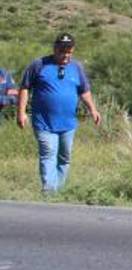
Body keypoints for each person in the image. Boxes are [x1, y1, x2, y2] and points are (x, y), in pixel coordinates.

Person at [17, 33, 102, 193]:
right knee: (48, 154)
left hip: (68, 124)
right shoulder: (39, 65)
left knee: (64, 158)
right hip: (44, 122)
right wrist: (21, 112)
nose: (65, 54)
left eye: (69, 51)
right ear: (55, 48)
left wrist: (93, 109)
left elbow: (84, 90)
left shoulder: (76, 67)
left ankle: (59, 192)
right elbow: (25, 88)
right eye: (62, 50)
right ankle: (49, 191)